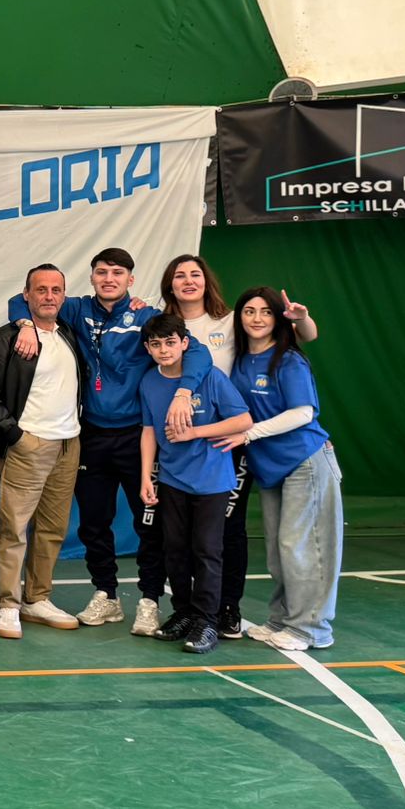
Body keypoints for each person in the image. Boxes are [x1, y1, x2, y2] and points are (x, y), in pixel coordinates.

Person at [6, 248, 204, 633]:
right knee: (94, 523)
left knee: (149, 523)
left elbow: (195, 353)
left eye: (117, 273)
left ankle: (149, 600)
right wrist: (25, 324)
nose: (109, 279)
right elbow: (20, 299)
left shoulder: (146, 317)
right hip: (92, 435)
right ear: (92, 277)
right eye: (101, 272)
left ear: (131, 279)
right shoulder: (76, 309)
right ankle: (106, 595)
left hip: (137, 436)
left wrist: (185, 392)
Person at [163, 255, 321, 638]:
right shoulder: (162, 323)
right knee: (181, 533)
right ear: (169, 284)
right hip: (180, 442)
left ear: (207, 281)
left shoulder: (230, 321)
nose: (188, 281)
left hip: (229, 440)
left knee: (226, 528)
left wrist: (300, 319)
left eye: (195, 274)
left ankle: (226, 609)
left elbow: (302, 335)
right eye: (180, 275)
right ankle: (187, 610)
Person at [225, 288, 342, 651]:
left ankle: (311, 629)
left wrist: (249, 434)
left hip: (304, 460)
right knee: (279, 549)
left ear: (277, 319)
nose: (257, 318)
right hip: (269, 466)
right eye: (249, 311)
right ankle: (281, 619)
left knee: (302, 546)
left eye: (265, 312)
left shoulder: (289, 360)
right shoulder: (240, 359)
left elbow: (303, 413)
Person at [0, 264, 84, 640]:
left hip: (68, 444)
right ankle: (9, 603)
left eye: (56, 290)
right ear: (27, 295)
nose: (49, 296)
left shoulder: (68, 333)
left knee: (52, 528)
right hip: (28, 445)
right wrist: (15, 434)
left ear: (64, 296)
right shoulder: (8, 337)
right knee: (13, 528)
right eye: (41, 289)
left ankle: (37, 599)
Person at [137, 315, 253, 654]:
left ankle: (207, 620)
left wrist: (195, 432)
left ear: (185, 343)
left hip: (212, 481)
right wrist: (146, 476)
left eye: (170, 342)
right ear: (147, 348)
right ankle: (185, 612)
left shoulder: (210, 377)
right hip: (172, 479)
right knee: (174, 550)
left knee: (206, 550)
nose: (164, 350)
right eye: (156, 344)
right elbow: (148, 430)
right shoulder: (149, 382)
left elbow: (244, 420)